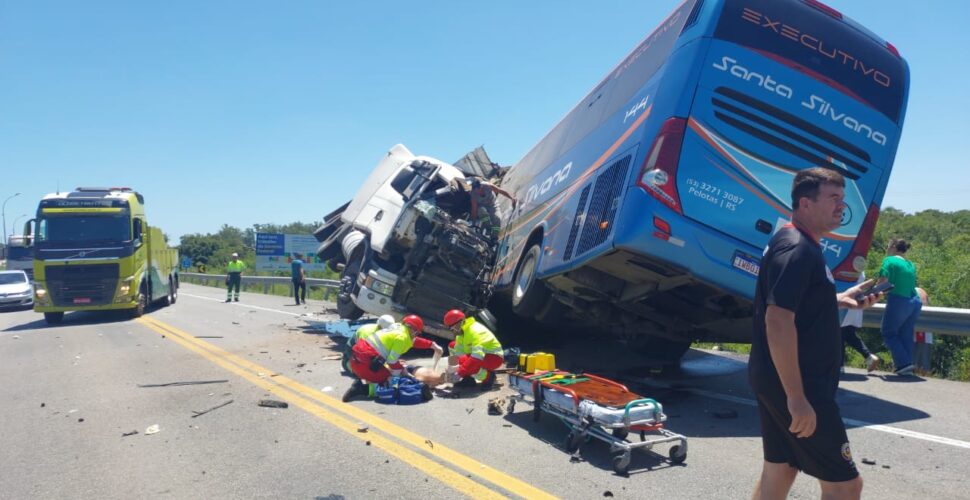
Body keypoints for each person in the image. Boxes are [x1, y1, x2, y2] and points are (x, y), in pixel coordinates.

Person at [749, 167, 881, 500]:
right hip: (800, 385)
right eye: (833, 198)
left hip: (777, 377)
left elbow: (793, 300)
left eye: (843, 198)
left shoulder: (794, 240)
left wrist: (837, 298)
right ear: (805, 203)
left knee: (780, 470)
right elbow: (778, 320)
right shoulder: (798, 249)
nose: (842, 207)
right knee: (845, 485)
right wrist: (797, 397)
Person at [343, 315, 443, 402]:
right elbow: (392, 362)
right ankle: (361, 389)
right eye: (417, 333)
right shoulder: (401, 337)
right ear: (413, 330)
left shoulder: (397, 328)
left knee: (394, 373)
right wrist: (403, 372)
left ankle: (367, 380)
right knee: (391, 381)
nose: (416, 335)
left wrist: (432, 345)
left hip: (357, 360)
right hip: (365, 364)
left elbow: (414, 341)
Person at [877, 238, 922, 376]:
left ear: (894, 247)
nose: (887, 249)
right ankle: (906, 367)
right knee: (905, 333)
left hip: (899, 300)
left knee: (888, 333)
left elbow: (883, 283)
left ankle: (903, 363)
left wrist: (872, 294)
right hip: (914, 301)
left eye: (888, 246)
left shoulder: (889, 261)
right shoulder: (910, 264)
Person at [442, 309, 504, 389]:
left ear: (459, 324)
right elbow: (458, 353)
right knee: (453, 346)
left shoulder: (475, 331)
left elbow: (476, 357)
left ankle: (488, 377)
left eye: (452, 328)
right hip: (481, 356)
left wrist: (459, 373)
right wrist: (452, 370)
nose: (452, 331)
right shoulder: (461, 333)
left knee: (466, 362)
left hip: (494, 358)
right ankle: (468, 380)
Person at [840, 273, 880, 372]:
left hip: (845, 304)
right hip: (855, 306)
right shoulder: (860, 270)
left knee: (838, 335)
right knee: (849, 335)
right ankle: (869, 356)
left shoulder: (845, 268)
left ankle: (839, 365)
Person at [913, 287, 933, 375]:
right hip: (924, 327)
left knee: (914, 365)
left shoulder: (915, 291)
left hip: (920, 331)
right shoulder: (919, 290)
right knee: (923, 366)